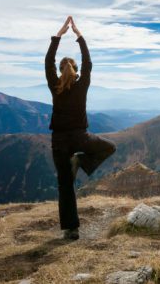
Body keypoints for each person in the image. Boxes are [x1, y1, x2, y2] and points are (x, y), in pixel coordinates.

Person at [46, 16, 116, 240]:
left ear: (59, 70)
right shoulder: (82, 84)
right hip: (80, 139)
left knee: (65, 185)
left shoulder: (54, 85)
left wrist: (58, 35)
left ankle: (71, 229)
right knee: (109, 147)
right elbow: (88, 62)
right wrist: (79, 35)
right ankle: (81, 160)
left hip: (59, 142)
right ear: (75, 71)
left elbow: (47, 61)